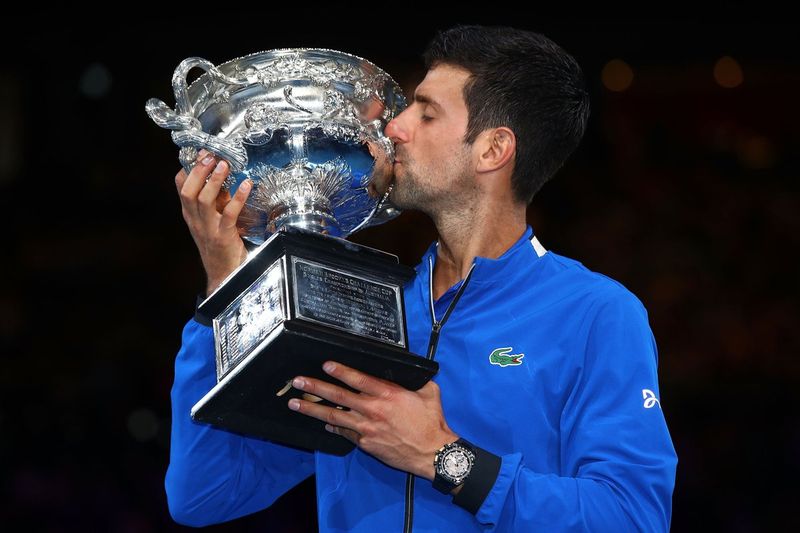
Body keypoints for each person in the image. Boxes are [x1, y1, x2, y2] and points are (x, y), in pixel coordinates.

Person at [166, 25, 677, 531]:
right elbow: (204, 495)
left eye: (426, 113)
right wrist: (224, 288)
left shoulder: (594, 314)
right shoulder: (356, 307)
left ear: (492, 150)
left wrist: (444, 457)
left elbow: (632, 519)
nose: (395, 127)